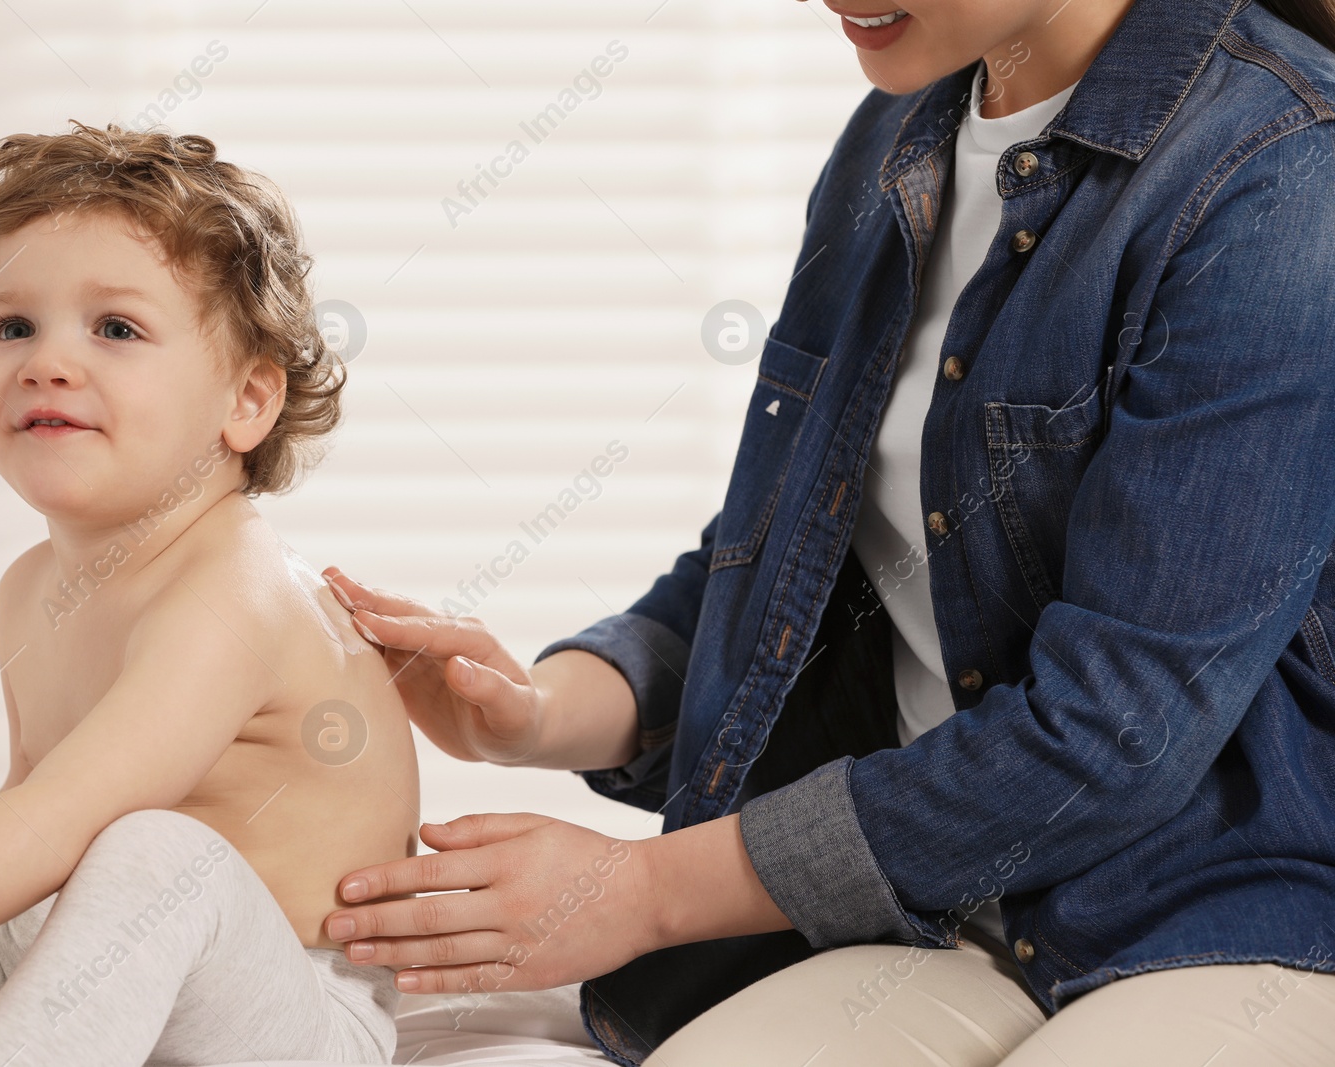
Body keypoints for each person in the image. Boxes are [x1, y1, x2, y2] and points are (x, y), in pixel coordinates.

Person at [317, 0, 1335, 1064]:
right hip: (930, 909)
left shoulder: (1280, 171)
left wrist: (643, 889)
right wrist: (537, 713)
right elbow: (787, 554)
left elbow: (1119, 729)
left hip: (1218, 917)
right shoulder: (895, 143)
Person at [0, 121, 420, 1067]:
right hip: (79, 970)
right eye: (11, 326)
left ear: (247, 402)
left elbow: (66, 818)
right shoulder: (29, 588)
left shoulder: (236, 593)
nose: (47, 360)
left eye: (117, 328)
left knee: (154, 852)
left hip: (279, 1012)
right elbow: (26, 828)